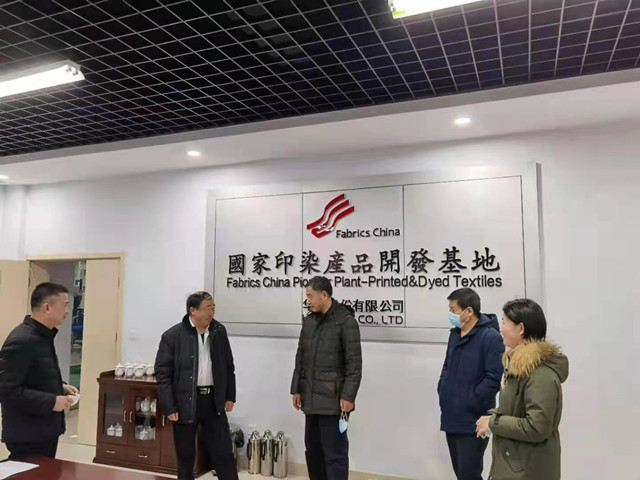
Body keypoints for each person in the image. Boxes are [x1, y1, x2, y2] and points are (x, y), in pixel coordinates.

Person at [476, 299, 568, 480]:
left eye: (504, 322)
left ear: (521, 329)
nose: (500, 328)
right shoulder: (517, 368)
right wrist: (492, 417)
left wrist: (494, 423)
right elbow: (515, 410)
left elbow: (537, 427)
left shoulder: (540, 374)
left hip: (528, 470)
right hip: (514, 466)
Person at [154, 291, 238, 480]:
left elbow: (228, 366)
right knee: (185, 457)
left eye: (213, 307)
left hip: (213, 401)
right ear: (193, 311)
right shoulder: (172, 336)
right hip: (185, 401)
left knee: (223, 453)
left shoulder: (219, 331)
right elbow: (163, 374)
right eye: (208, 308)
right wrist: (169, 406)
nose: (212, 312)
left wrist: (229, 395)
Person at [291, 276, 362, 480]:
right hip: (310, 399)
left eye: (310, 296)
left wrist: (348, 396)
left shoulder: (345, 321)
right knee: (313, 450)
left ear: (324, 295)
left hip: (336, 402)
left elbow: (354, 364)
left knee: (335, 453)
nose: (308, 301)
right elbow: (300, 357)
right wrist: (296, 389)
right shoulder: (309, 321)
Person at [0, 282, 78, 460]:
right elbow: (6, 390)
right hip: (27, 434)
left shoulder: (42, 335)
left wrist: (60, 386)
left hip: (43, 430)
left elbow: (35, 375)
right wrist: (52, 401)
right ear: (47, 308)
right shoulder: (22, 340)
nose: (67, 311)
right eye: (65, 305)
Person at [438, 288, 505, 480]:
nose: (451, 314)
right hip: (451, 414)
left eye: (453, 310)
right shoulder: (455, 334)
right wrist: (443, 389)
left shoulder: (491, 337)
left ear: (468, 311)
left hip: (474, 418)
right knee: (460, 472)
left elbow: (493, 377)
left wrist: (471, 399)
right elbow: (447, 366)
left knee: (470, 473)